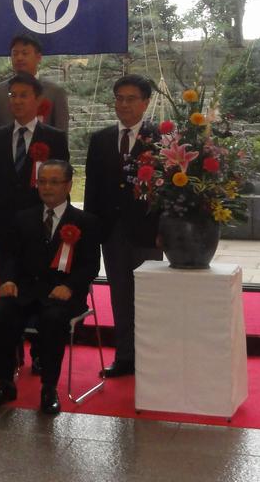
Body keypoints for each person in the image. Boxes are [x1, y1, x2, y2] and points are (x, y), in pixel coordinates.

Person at [0, 160, 100, 415]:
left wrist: (70, 286)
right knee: (1, 313)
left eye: (54, 182)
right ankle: (4, 382)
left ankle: (49, 388)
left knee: (53, 319)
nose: (47, 187)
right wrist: (8, 280)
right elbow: (10, 256)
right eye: (42, 182)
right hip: (26, 291)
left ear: (68, 185)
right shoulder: (23, 218)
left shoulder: (85, 221)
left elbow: (90, 265)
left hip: (63, 295)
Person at [84, 74, 161, 378]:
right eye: (119, 98)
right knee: (120, 295)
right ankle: (125, 357)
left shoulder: (161, 139)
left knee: (148, 296)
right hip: (111, 231)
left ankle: (151, 359)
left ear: (145, 102)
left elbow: (170, 190)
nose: (124, 104)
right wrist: (90, 230)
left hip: (148, 233)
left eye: (131, 99)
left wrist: (165, 230)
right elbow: (92, 190)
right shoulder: (100, 139)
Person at [0, 72, 69, 270]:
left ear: (38, 100)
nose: (17, 101)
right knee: (7, 282)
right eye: (13, 95)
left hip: (41, 226)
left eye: (23, 95)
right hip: (4, 226)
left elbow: (63, 186)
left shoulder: (54, 138)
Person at [0, 34, 69, 134]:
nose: (19, 58)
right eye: (15, 54)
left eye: (25, 53)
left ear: (38, 57)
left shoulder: (55, 92)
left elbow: (61, 135)